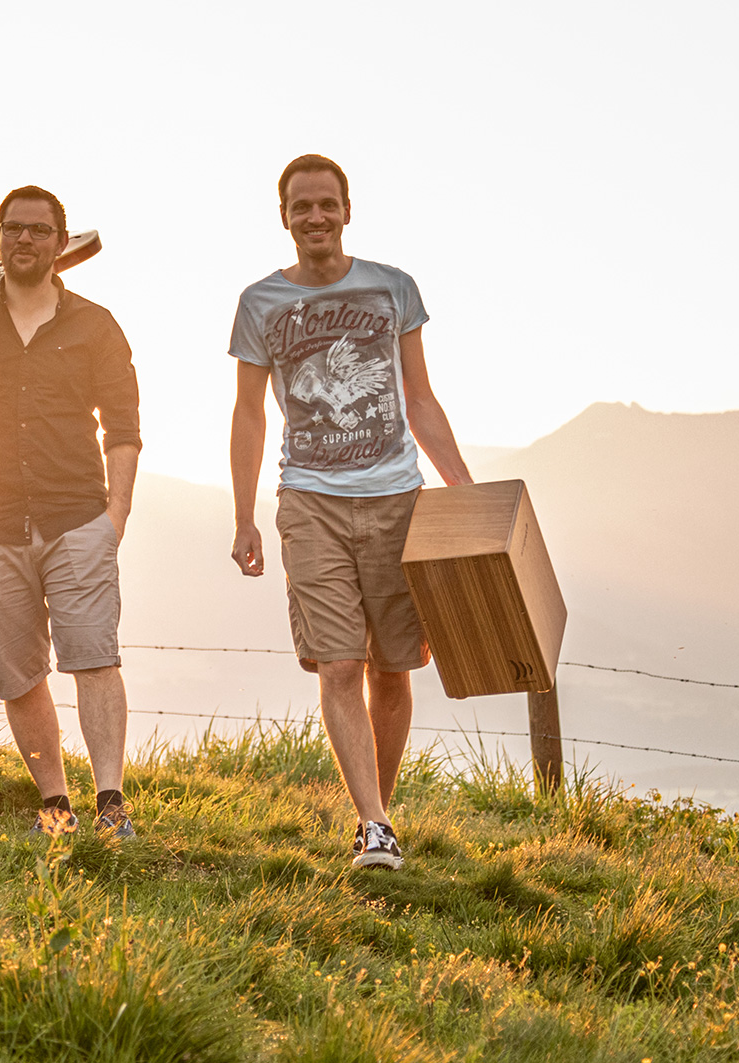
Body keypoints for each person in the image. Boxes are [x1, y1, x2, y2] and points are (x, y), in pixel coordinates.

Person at [227, 154, 473, 870]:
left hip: (398, 498)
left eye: (326, 204)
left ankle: (379, 819)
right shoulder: (260, 303)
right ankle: (372, 821)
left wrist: (462, 489)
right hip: (311, 500)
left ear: (347, 210)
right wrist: (245, 515)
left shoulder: (393, 289)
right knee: (339, 664)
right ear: (284, 216)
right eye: (301, 206)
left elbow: (420, 396)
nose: (315, 217)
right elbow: (248, 415)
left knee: (392, 669)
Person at [0, 186, 141, 837]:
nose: (26, 240)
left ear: (60, 243)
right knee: (19, 674)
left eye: (39, 230)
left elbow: (123, 427)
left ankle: (110, 800)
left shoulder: (95, 324)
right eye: (14, 229)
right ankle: (54, 803)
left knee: (93, 656)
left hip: (79, 517)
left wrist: (115, 515)